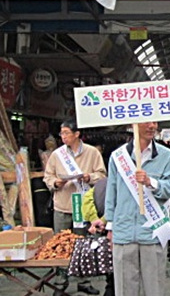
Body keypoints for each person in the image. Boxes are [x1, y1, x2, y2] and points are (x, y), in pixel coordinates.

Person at [104, 121, 170, 296]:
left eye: (155, 122)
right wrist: (110, 226)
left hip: (153, 232)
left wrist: (151, 182)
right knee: (124, 288)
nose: (152, 126)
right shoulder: (118, 156)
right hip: (123, 231)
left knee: (154, 287)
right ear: (134, 124)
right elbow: (111, 192)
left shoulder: (167, 157)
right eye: (147, 121)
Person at [43, 119, 107, 295]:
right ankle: (60, 281)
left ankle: (83, 281)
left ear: (77, 134)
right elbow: (47, 177)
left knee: (83, 245)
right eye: (61, 134)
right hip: (62, 205)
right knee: (61, 245)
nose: (63, 137)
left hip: (83, 206)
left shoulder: (92, 152)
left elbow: (102, 175)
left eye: (66, 133)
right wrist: (56, 182)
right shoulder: (57, 155)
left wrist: (89, 178)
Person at [82, 177, 115, 296]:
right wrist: (102, 221)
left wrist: (94, 219)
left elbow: (87, 201)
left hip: (102, 227)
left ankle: (110, 287)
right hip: (116, 228)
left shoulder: (99, 184)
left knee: (109, 263)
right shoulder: (121, 184)